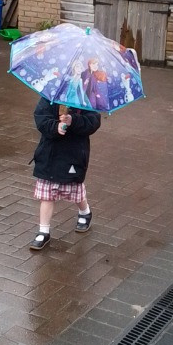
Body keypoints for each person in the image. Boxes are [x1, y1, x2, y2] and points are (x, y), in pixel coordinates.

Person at [29, 97, 101, 251]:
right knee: (47, 196)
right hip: (49, 155)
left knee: (76, 192)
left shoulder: (85, 99)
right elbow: (41, 119)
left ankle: (85, 211)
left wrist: (72, 120)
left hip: (73, 156)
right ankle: (44, 230)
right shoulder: (49, 98)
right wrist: (56, 127)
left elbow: (93, 123)